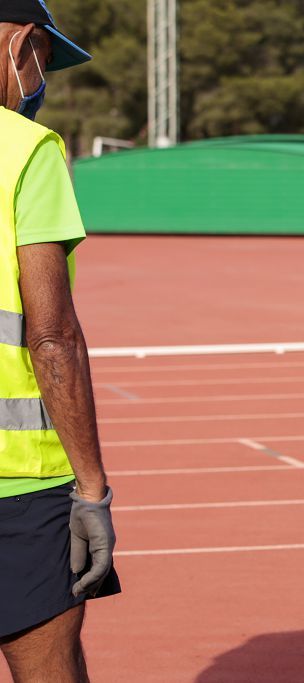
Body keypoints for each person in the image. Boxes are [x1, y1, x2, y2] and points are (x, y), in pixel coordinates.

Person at [1, 2, 120, 679]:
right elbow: (51, 335)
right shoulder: (25, 149)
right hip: (18, 484)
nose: (44, 79)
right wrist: (92, 489)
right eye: (46, 61)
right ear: (23, 46)